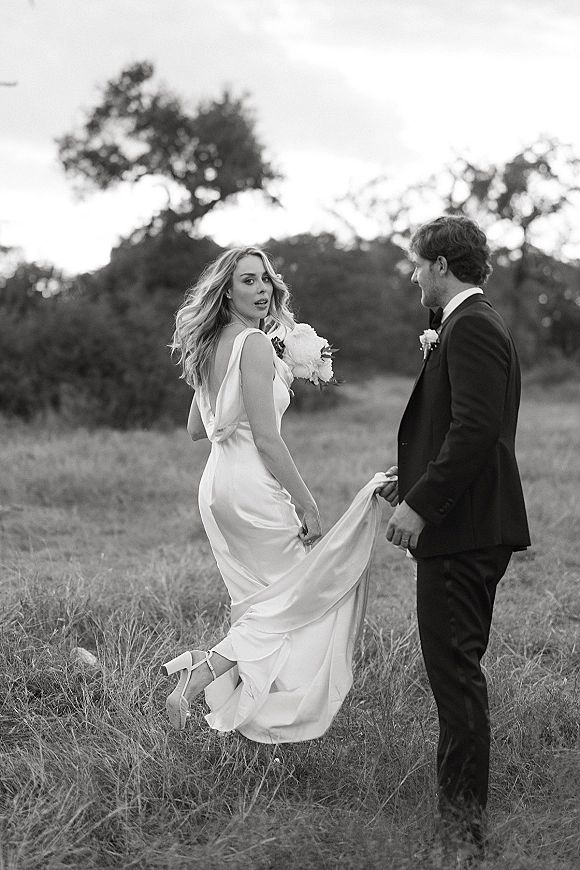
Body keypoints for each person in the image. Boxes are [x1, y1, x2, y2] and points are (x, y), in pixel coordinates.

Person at [163, 246, 395, 743]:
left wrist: (251, 388)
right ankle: (200, 677)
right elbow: (268, 440)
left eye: (265, 279)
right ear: (227, 289)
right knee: (296, 595)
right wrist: (307, 502)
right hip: (250, 488)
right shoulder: (254, 345)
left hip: (216, 487)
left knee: (261, 599)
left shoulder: (213, 344)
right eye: (247, 281)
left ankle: (206, 681)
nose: (262, 288)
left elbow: (196, 428)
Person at [380, 215, 530, 858]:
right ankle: (460, 824)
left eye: (417, 264)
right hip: (466, 523)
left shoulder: (470, 327)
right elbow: (458, 429)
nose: (414, 276)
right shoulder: (468, 325)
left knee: (455, 675)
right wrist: (407, 478)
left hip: (462, 530)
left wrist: (421, 505)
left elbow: (475, 431)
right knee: (455, 673)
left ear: (441, 264)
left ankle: (463, 833)